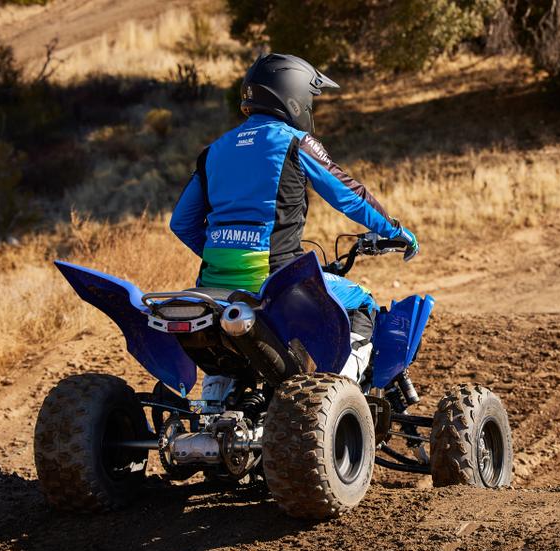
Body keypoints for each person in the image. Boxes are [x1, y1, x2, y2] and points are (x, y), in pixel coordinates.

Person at [170, 53, 418, 398]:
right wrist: (395, 231)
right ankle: (339, 396)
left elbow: (181, 222)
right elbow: (350, 196)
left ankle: (214, 401)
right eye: (310, 99)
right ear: (293, 96)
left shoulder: (214, 151)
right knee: (363, 303)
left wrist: (230, 252)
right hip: (276, 281)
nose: (310, 107)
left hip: (212, 286)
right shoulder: (294, 142)